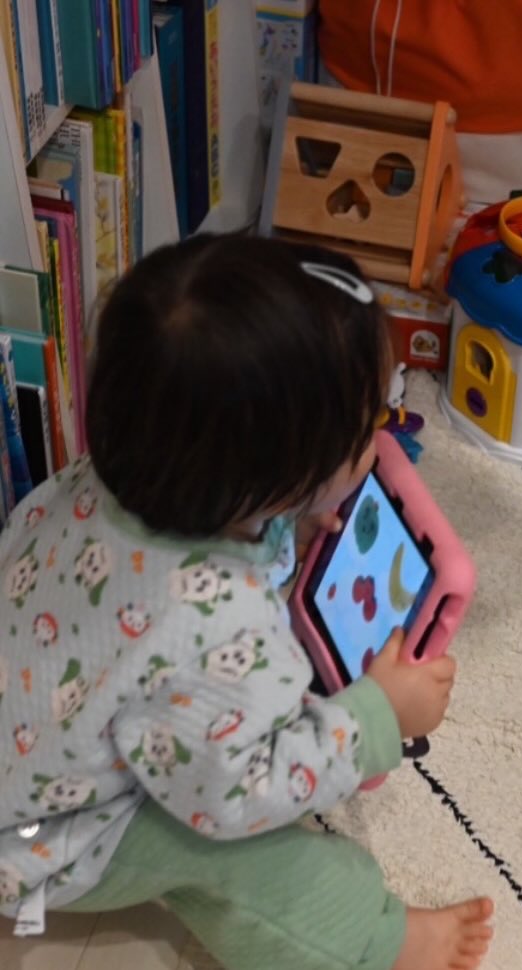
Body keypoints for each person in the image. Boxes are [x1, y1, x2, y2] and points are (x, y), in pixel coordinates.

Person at [0, 235, 493, 970]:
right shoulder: (219, 630)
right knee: (244, 858)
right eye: (371, 426)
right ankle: (378, 942)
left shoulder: (111, 475)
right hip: (42, 839)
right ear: (282, 473)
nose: (384, 433)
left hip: (32, 740)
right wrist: (376, 718)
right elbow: (237, 793)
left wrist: (287, 517)